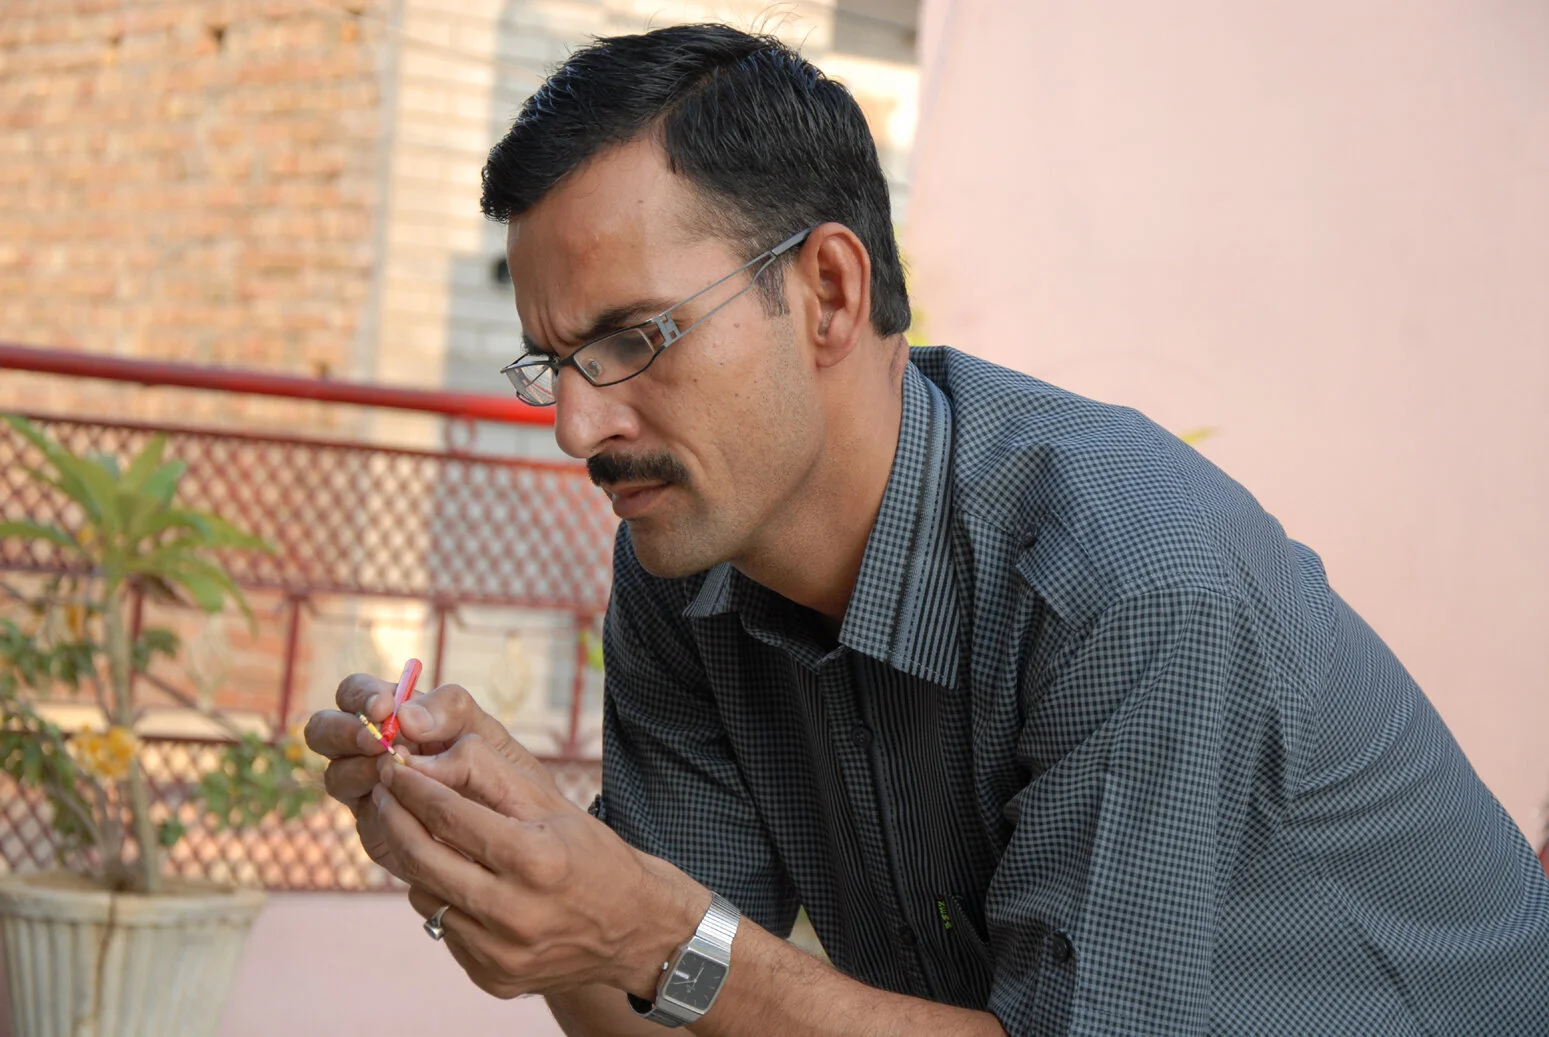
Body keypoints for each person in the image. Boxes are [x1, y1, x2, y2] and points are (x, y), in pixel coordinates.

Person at [304, 23, 1549, 1037]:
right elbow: (674, 1009)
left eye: (633, 337)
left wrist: (651, 927)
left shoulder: (1131, 578)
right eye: (555, 363)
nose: (578, 426)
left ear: (829, 292)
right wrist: (492, 862)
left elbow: (679, 950)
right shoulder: (685, 565)